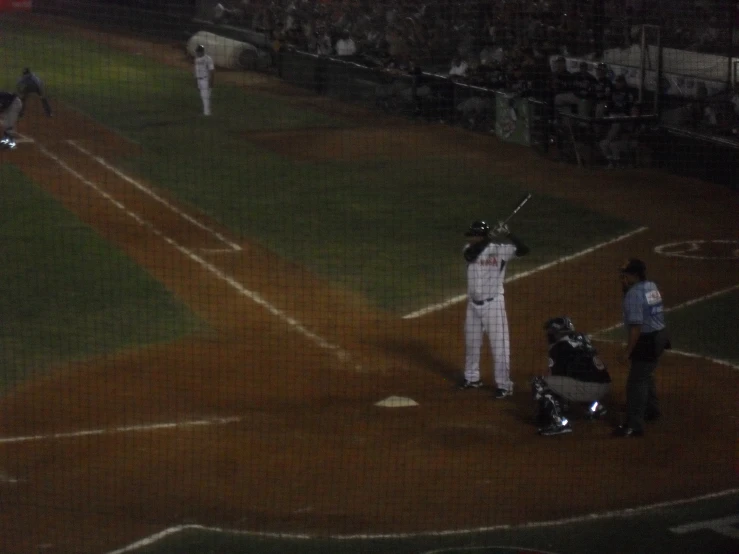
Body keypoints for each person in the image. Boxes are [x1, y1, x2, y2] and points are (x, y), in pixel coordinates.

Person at [459, 220, 530, 399]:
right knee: (472, 342)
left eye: (474, 235)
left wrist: (509, 234)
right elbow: (470, 255)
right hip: (472, 305)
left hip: (494, 305)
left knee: (500, 346)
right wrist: (489, 237)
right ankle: (472, 378)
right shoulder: (469, 248)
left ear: (480, 235)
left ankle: (505, 385)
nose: (471, 238)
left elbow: (524, 250)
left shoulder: (501, 250)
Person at [613, 259, 671, 438]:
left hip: (647, 340)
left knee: (635, 383)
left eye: (626, 275)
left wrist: (627, 352)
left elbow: (636, 327)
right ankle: (651, 409)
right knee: (646, 374)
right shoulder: (651, 286)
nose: (623, 278)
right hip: (660, 336)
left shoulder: (633, 294)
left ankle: (634, 425)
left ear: (635, 275)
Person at [531, 317, 612, 436]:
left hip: (589, 388)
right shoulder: (582, 339)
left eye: (551, 332)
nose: (549, 335)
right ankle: (596, 408)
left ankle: (559, 423)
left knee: (540, 383)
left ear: (558, 332)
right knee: (579, 375)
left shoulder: (559, 347)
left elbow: (554, 375)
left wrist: (559, 403)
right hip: (605, 385)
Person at [193, 44, 215, 116]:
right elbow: (196, 71)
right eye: (197, 52)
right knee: (203, 96)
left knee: (205, 97)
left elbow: (212, 71)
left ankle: (207, 113)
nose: (197, 53)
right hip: (199, 80)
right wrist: (196, 82)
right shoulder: (196, 59)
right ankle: (206, 111)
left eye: (198, 52)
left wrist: (211, 82)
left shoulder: (208, 59)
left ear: (202, 52)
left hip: (205, 79)